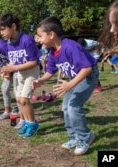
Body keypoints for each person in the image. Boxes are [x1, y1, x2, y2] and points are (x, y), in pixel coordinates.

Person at [33, 16, 98, 155]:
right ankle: (74, 137)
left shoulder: (70, 46)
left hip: (88, 75)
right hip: (75, 78)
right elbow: (50, 70)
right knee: (65, 107)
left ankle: (85, 137)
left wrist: (69, 85)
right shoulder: (52, 51)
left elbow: (87, 69)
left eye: (40, 36)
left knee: (73, 106)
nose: (38, 39)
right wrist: (40, 81)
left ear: (51, 35)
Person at [0, 13, 41, 137]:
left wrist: (14, 68)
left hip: (31, 72)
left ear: (13, 26)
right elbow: (13, 60)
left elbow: (34, 62)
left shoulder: (27, 39)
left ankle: (33, 124)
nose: (1, 33)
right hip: (19, 73)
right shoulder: (9, 43)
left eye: (3, 29)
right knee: (18, 99)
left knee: (24, 99)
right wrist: (6, 69)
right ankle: (27, 122)